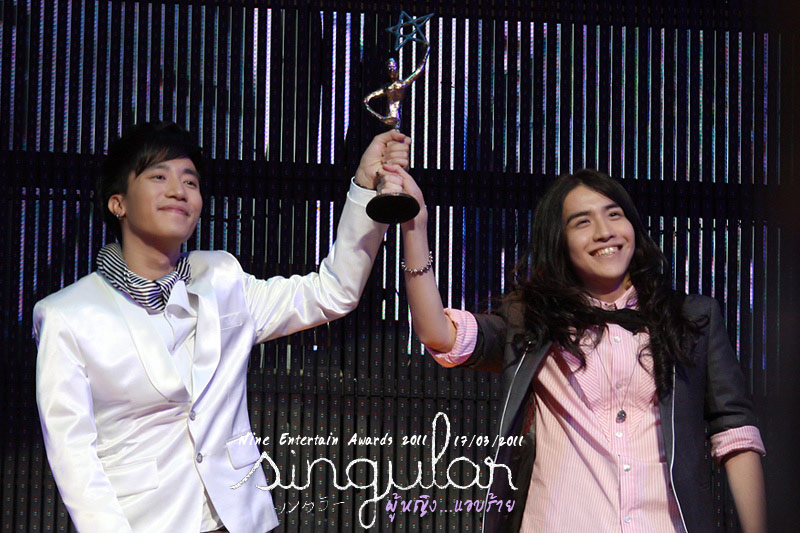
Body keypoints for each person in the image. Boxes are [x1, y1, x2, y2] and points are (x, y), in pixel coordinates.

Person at [33, 121, 411, 532]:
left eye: (190, 182)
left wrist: (365, 187)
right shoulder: (67, 315)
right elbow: (73, 455)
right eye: (158, 177)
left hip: (243, 519)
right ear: (117, 203)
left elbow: (333, 292)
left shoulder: (222, 277)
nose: (178, 191)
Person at [393, 167, 766, 532]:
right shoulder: (531, 322)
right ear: (560, 241)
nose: (605, 232)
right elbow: (439, 334)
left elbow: (736, 434)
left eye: (614, 215)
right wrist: (415, 226)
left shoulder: (691, 317)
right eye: (582, 222)